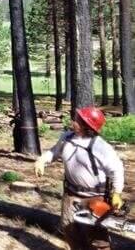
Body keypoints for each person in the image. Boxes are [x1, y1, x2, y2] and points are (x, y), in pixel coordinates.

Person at [34, 106, 125, 250]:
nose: (73, 122)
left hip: (95, 198)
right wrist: (42, 160)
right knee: (69, 229)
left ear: (87, 126)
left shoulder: (101, 147)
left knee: (97, 239)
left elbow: (117, 169)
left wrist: (117, 193)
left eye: (77, 120)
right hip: (70, 194)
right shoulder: (66, 138)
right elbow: (54, 152)